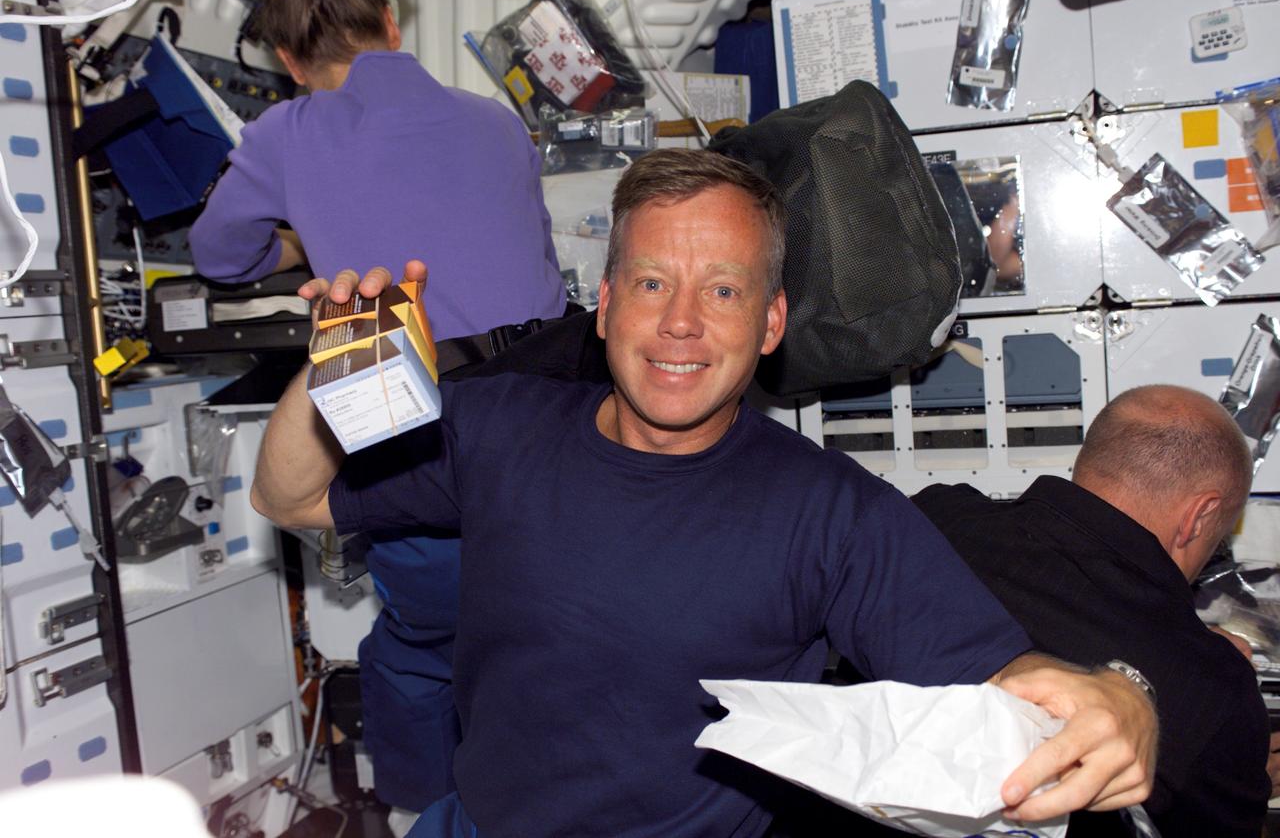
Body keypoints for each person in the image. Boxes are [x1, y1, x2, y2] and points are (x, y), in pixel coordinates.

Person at [251, 149, 1156, 837]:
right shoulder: (500, 426)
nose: (680, 322)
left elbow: (1017, 688)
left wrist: (1125, 695)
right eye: (653, 282)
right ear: (607, 305)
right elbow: (288, 496)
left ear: (769, 323)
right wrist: (334, 367)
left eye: (722, 290)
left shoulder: (831, 515)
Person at [188, 0, 567, 825]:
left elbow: (217, 254)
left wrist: (292, 239)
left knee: (422, 645)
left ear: (289, 62)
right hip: (553, 416)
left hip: (423, 431)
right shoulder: (497, 121)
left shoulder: (286, 133)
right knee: (542, 622)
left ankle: (416, 812)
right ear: (392, 23)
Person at [913, 385, 1270, 837]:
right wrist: (1242, 771)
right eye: (1217, 537)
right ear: (1199, 516)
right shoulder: (1213, 690)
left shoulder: (931, 516)